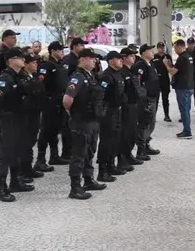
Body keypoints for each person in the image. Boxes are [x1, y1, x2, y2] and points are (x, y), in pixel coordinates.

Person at [63, 48, 107, 199]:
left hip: (92, 120)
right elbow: (67, 100)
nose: (94, 61)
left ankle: (88, 180)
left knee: (90, 152)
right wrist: (74, 114)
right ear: (82, 60)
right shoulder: (77, 78)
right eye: (91, 58)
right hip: (81, 121)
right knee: (79, 154)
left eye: (95, 59)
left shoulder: (90, 76)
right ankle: (75, 187)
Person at [0, 48, 33, 202]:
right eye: (20, 57)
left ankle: (15, 182)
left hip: (21, 118)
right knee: (6, 153)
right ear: (11, 60)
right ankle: (1, 188)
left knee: (18, 151)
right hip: (10, 120)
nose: (23, 60)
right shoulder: (5, 78)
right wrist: (4, 115)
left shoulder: (19, 76)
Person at [36, 42, 69, 169]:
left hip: (60, 100)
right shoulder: (46, 65)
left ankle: (54, 156)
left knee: (55, 129)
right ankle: (40, 159)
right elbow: (41, 83)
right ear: (52, 51)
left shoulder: (60, 65)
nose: (62, 52)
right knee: (46, 130)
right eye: (60, 50)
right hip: (50, 101)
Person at [97, 51, 126, 181]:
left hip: (117, 110)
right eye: (118, 59)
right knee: (106, 140)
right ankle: (102, 170)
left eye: (121, 59)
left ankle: (111, 165)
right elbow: (101, 95)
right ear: (110, 61)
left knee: (115, 139)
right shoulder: (106, 76)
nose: (121, 60)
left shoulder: (118, 74)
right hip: (108, 111)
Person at [18, 54, 47, 181]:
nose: (36, 65)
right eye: (33, 62)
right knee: (24, 142)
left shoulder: (33, 77)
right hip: (26, 113)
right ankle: (21, 171)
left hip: (35, 112)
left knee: (31, 141)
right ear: (26, 64)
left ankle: (27, 168)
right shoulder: (21, 77)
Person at [59, 37, 86, 160]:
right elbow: (66, 80)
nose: (83, 47)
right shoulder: (68, 60)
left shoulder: (81, 60)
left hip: (81, 97)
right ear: (75, 46)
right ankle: (66, 151)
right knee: (68, 126)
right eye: (81, 45)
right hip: (71, 95)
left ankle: (74, 150)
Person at [120, 47, 146, 167]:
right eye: (131, 56)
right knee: (125, 133)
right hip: (126, 106)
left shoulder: (130, 71)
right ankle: (123, 158)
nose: (134, 58)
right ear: (124, 58)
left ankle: (128, 154)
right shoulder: (121, 72)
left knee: (132, 132)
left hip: (134, 104)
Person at [135, 44, 162, 157]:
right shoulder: (140, 66)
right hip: (146, 99)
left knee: (151, 124)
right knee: (145, 124)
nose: (152, 52)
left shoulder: (151, 64)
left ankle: (146, 144)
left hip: (154, 98)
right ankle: (141, 149)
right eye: (149, 50)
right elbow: (138, 83)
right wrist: (143, 97)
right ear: (143, 53)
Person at [168, 39, 195, 138]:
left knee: (184, 109)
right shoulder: (189, 56)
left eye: (175, 48)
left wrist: (166, 64)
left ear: (180, 47)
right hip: (189, 86)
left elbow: (172, 72)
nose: (175, 50)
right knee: (187, 109)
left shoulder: (182, 58)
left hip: (183, 87)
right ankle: (186, 129)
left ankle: (187, 131)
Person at [152, 42, 172, 121]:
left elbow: (171, 67)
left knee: (165, 99)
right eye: (159, 47)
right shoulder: (154, 57)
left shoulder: (167, 57)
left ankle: (166, 115)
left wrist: (168, 63)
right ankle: (154, 116)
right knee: (155, 99)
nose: (161, 49)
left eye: (162, 47)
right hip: (156, 80)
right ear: (157, 48)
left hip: (165, 79)